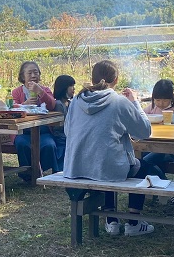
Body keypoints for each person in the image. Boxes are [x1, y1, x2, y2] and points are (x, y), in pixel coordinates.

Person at [63, 59, 155, 236]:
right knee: (136, 166)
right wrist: (135, 102)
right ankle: (133, 222)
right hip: (104, 169)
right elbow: (145, 131)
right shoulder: (119, 102)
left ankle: (111, 220)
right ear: (116, 80)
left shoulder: (76, 100)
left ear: (92, 78)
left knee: (106, 159)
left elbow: (68, 131)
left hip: (76, 167)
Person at [11, 61, 60, 180]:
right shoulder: (17, 92)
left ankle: (45, 173)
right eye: (29, 73)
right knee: (22, 144)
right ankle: (27, 174)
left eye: (36, 72)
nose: (33, 76)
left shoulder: (45, 90)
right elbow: (11, 108)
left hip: (43, 131)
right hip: (23, 131)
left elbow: (52, 105)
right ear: (23, 76)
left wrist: (40, 92)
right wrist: (24, 104)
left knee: (49, 145)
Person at [141, 79, 174, 186]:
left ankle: (165, 184)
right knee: (142, 158)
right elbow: (140, 117)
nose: (161, 104)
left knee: (145, 162)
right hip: (152, 146)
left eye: (165, 101)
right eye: (157, 100)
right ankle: (158, 184)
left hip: (170, 149)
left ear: (171, 98)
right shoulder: (151, 108)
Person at [51, 75, 76, 170]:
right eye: (71, 86)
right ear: (64, 87)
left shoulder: (70, 103)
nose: (74, 89)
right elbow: (59, 127)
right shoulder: (58, 104)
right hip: (61, 137)